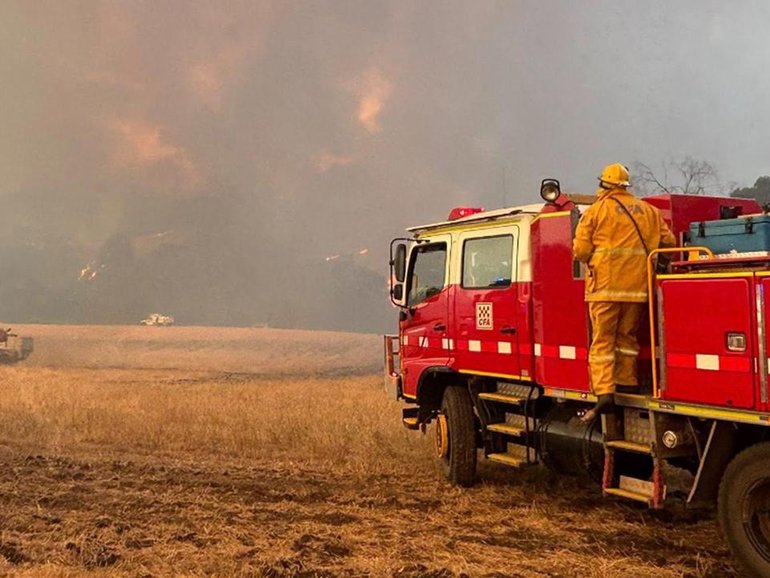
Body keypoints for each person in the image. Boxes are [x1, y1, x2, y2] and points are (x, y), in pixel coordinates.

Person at [573, 163, 676, 421]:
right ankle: (627, 381)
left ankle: (605, 392)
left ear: (604, 184)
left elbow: (581, 251)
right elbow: (669, 244)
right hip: (638, 288)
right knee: (627, 338)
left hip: (605, 289)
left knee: (603, 342)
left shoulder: (596, 212)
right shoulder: (650, 212)